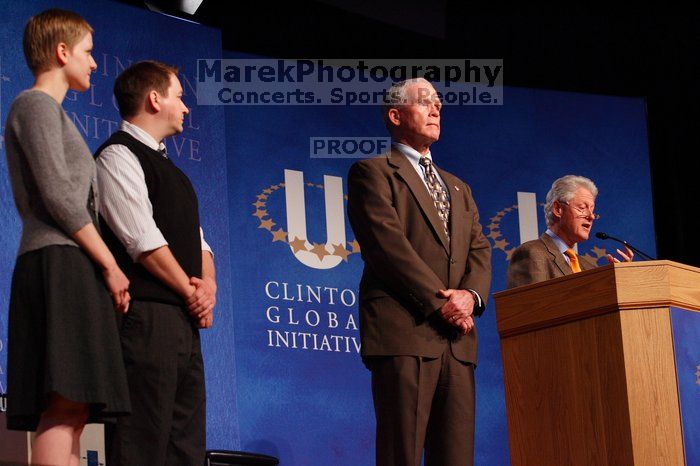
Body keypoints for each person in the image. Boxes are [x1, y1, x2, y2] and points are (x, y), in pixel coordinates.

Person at [4, 9, 131, 466]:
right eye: (89, 52)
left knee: (75, 409)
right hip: (57, 262)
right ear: (62, 52)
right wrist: (111, 265)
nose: (95, 63)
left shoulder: (50, 112)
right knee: (63, 403)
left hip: (72, 261)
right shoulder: (34, 105)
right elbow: (60, 196)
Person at [347, 78, 491, 466]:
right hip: (404, 331)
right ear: (395, 115)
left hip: (457, 343)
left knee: (456, 456)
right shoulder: (372, 172)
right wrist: (439, 303)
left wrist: (470, 297)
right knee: (403, 454)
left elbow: (480, 248)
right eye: (424, 102)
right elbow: (387, 247)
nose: (436, 108)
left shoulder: (459, 188)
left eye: (438, 103)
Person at [94, 60, 216, 466]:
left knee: (185, 447)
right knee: (140, 443)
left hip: (182, 324)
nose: (185, 108)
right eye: (179, 97)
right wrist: (191, 292)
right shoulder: (117, 156)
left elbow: (201, 245)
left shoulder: (175, 174)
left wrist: (208, 289)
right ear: (154, 98)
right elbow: (142, 242)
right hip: (144, 323)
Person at [506, 174, 633, 288]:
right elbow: (530, 309)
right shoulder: (532, 253)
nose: (591, 216)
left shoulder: (588, 267)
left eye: (592, 210)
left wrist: (617, 281)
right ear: (558, 209)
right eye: (582, 208)